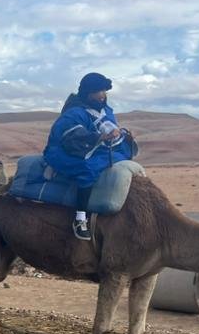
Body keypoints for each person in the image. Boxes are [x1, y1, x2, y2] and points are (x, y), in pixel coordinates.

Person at [43, 72, 134, 240]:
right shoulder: (74, 113)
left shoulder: (105, 110)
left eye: (104, 91)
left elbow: (109, 125)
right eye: (98, 91)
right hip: (66, 148)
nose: (103, 95)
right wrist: (98, 137)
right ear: (88, 93)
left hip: (92, 146)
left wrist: (116, 133)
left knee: (125, 151)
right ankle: (80, 218)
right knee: (88, 169)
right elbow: (71, 137)